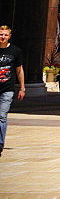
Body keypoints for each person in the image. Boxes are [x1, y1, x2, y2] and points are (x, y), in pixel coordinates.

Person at [0, 25, 25, 158]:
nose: (2, 37)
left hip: (7, 89)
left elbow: (19, 70)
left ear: (9, 36)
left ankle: (0, 143)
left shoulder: (15, 51)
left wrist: (22, 88)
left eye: (5, 35)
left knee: (2, 116)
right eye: (0, 34)